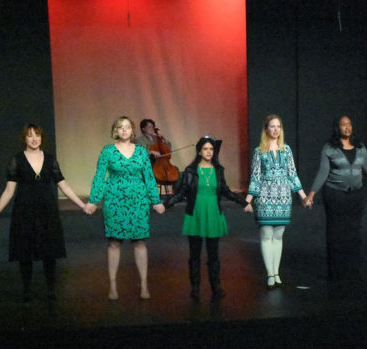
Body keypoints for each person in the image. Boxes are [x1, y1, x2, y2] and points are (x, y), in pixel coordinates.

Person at [0, 124, 87, 301]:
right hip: (24, 210)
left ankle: (51, 290)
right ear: (24, 139)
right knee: (25, 252)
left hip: (47, 210)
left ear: (42, 138)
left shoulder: (50, 159)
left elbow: (63, 185)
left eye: (37, 135)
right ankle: (26, 290)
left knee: (49, 251)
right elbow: (9, 190)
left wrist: (82, 204)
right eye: (30, 136)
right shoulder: (17, 160)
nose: (34, 139)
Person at [305, 115, 367, 281]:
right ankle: (336, 272)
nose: (347, 127)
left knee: (353, 233)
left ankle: (351, 270)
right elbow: (322, 172)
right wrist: (311, 194)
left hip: (356, 196)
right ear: (338, 128)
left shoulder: (360, 147)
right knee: (336, 234)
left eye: (349, 124)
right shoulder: (329, 148)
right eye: (343, 125)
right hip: (334, 195)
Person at [85, 116, 165, 300]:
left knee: (140, 242)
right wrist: (93, 200)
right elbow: (99, 177)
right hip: (115, 199)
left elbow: (149, 177)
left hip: (138, 199)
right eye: (120, 127)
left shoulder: (141, 152)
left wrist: (156, 200)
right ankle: (113, 285)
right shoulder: (108, 151)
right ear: (115, 130)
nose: (124, 130)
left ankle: (144, 285)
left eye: (127, 127)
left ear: (132, 130)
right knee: (114, 242)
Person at [165, 136, 252, 302]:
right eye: (205, 149)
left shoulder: (218, 170)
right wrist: (166, 204)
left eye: (211, 149)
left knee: (213, 254)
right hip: (196, 213)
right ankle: (195, 288)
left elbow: (226, 191)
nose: (209, 152)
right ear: (199, 151)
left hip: (212, 213)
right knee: (195, 254)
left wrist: (243, 202)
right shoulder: (191, 171)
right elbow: (181, 192)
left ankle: (216, 287)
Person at [246, 114, 310, 289]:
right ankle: (270, 273)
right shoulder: (259, 151)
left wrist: (303, 196)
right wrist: (248, 199)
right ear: (266, 129)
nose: (275, 129)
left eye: (278, 126)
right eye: (272, 126)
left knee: (279, 235)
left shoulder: (286, 150)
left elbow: (292, 174)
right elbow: (255, 177)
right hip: (265, 197)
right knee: (266, 235)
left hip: (283, 196)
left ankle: (277, 272)